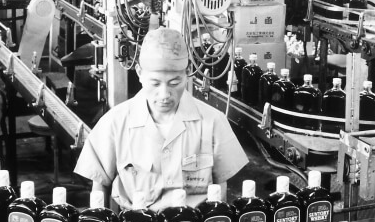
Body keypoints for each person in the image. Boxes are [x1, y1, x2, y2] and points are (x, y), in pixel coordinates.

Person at [74, 27, 249, 211]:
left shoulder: (213, 123)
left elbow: (220, 189)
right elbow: (100, 187)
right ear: (139, 73)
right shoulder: (114, 124)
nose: (164, 94)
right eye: (155, 83)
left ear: (187, 72)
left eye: (174, 83)